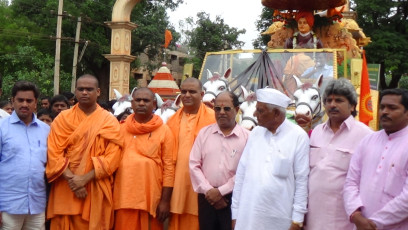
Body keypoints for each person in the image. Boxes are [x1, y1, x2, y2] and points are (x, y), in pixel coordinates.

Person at [46, 74, 123, 230]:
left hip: (95, 186)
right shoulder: (63, 119)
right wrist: (74, 181)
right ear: (75, 91)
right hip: (66, 185)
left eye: (89, 89)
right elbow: (54, 152)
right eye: (81, 89)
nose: (85, 93)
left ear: (98, 92)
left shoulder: (109, 121)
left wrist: (84, 179)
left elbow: (113, 158)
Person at [231, 88, 309, 230]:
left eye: (260, 111)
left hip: (278, 218)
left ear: (276, 114)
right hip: (247, 216)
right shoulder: (255, 133)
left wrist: (297, 220)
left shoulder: (298, 136)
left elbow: (302, 181)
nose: (255, 114)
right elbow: (241, 175)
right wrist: (235, 214)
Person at [305, 79, 373, 230]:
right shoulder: (316, 132)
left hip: (344, 218)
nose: (332, 105)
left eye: (339, 100)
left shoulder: (366, 135)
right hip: (313, 216)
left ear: (352, 106)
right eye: (328, 100)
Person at [344, 88, 408, 230]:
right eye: (382, 107)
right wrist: (356, 215)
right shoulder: (367, 141)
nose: (384, 112)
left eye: (392, 108)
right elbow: (351, 182)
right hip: (360, 224)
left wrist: (374, 223)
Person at [113, 87, 175, 230]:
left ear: (154, 105)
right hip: (123, 196)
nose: (141, 103)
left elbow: (169, 168)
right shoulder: (120, 128)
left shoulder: (164, 131)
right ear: (132, 104)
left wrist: (165, 201)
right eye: (138, 100)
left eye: (146, 100)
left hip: (151, 198)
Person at [189, 91, 250, 230]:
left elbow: (247, 170)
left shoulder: (247, 138)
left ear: (237, 109)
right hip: (206, 198)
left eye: (226, 108)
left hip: (233, 198)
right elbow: (194, 164)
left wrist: (221, 191)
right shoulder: (204, 134)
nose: (221, 112)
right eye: (217, 108)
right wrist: (209, 191)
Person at [166, 78, 216, 230]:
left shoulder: (213, 118)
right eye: (183, 92)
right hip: (178, 185)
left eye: (192, 92)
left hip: (203, 186)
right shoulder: (171, 120)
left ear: (202, 94)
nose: (187, 95)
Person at [0, 81, 50, 229]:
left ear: (36, 103)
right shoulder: (2, 128)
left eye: (29, 101)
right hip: (8, 205)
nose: (24, 104)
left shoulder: (46, 130)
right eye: (20, 100)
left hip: (37, 205)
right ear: (12, 101)